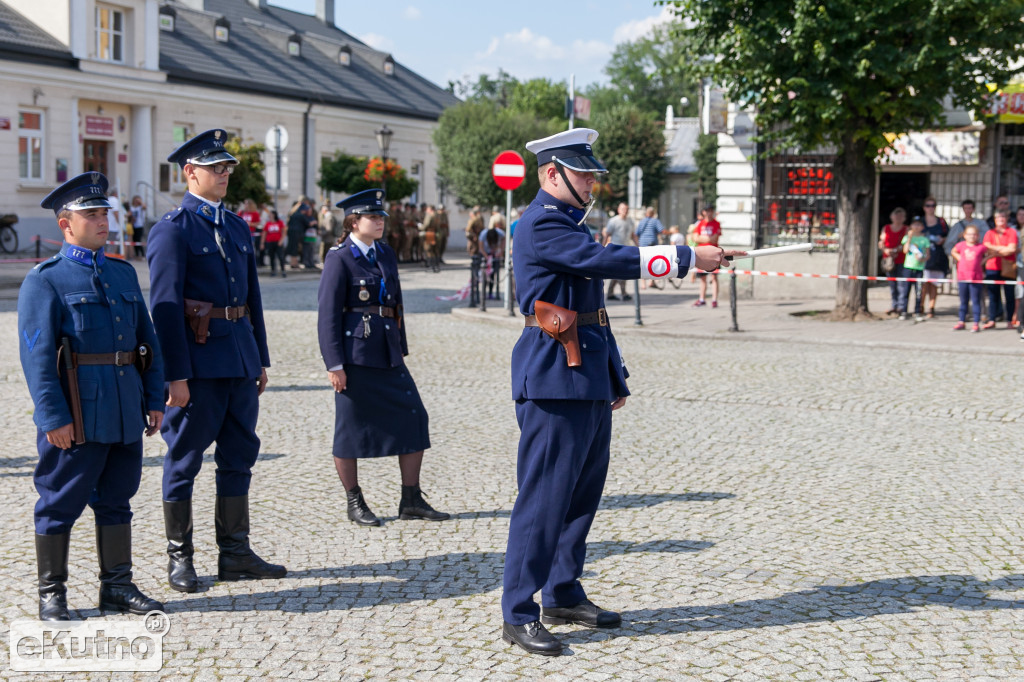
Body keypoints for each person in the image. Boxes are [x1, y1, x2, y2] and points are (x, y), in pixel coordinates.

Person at [501, 128, 739, 656]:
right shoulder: (541, 222)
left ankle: (562, 590)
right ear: (551, 174)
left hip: (583, 372)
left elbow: (594, 313)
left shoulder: (569, 222)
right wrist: (684, 258)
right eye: (582, 173)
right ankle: (518, 610)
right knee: (543, 499)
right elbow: (604, 264)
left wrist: (613, 375)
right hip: (552, 377)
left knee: (581, 496)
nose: (591, 182)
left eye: (592, 174)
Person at [18, 172, 166, 620]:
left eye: (105, 212)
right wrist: (52, 418)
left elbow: (148, 341)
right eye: (92, 214)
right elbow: (37, 358)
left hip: (124, 408)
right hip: (78, 414)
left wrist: (154, 398)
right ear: (66, 225)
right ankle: (52, 592)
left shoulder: (121, 272)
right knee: (59, 500)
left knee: (118, 498)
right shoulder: (46, 280)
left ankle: (117, 586)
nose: (104, 221)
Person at [148, 129, 286, 593]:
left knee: (239, 456)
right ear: (190, 173)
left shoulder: (236, 226)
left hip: (239, 359)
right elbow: (164, 308)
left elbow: (252, 299)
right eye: (215, 168)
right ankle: (180, 558)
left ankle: (235, 552)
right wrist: (175, 375)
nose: (224, 174)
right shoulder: (172, 229)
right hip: (199, 366)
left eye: (227, 167)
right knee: (184, 459)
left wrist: (259, 357)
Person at [317, 189, 449, 527]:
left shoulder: (386, 254)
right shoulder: (339, 257)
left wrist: (400, 346)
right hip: (354, 356)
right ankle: (355, 501)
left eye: (381, 217)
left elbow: (396, 305)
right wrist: (334, 365)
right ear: (353, 222)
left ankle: (411, 498)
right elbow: (327, 315)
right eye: (372, 217)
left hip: (387, 352)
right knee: (349, 430)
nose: (379, 222)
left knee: (415, 417)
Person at [981, 209, 1018, 329]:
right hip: (992, 267)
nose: (1001, 219)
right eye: (998, 217)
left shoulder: (1011, 232)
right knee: (993, 295)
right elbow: (986, 247)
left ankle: (1009, 320)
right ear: (995, 219)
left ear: (1006, 218)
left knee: (1009, 295)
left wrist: (995, 251)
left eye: (1003, 217)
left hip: (1008, 267)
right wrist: (1004, 249)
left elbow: (1012, 249)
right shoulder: (990, 232)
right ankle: (992, 319)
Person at [950, 225, 989, 332]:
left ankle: (976, 322)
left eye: (974, 234)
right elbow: (953, 251)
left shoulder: (980, 247)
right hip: (963, 277)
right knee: (963, 301)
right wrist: (959, 258)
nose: (972, 236)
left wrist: (982, 262)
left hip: (976, 277)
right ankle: (961, 321)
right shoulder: (961, 245)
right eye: (969, 234)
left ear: (978, 236)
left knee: (976, 301)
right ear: (965, 235)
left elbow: (990, 253)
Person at [919, 197, 949, 319]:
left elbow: (948, 236)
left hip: (937, 255)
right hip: (923, 257)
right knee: (924, 284)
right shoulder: (920, 221)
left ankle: (931, 308)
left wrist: (943, 240)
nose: (930, 208)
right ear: (924, 207)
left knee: (934, 284)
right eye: (928, 205)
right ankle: (920, 306)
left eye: (933, 205)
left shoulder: (941, 222)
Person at [898, 216, 930, 321]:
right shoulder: (907, 238)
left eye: (918, 224)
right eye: (914, 224)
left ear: (922, 226)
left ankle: (917, 311)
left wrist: (922, 258)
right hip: (908, 268)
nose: (916, 227)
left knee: (919, 291)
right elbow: (905, 250)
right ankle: (904, 311)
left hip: (919, 269)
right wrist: (909, 238)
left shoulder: (924, 239)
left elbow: (928, 255)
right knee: (905, 290)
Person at [601, 202, 635, 300]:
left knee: (616, 272)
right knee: (622, 271)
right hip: (616, 249)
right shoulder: (613, 221)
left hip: (626, 248)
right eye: (623, 209)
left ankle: (610, 294)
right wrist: (602, 248)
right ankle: (624, 294)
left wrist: (639, 246)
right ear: (619, 210)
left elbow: (633, 235)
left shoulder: (630, 221)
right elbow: (607, 234)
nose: (625, 211)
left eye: (627, 209)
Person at [878, 208, 908, 315]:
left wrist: (896, 250)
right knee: (892, 284)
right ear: (891, 217)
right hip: (889, 260)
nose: (898, 218)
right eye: (896, 216)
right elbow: (881, 242)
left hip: (902, 260)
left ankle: (901, 307)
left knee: (901, 284)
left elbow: (907, 243)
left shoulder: (906, 229)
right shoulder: (886, 228)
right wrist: (885, 250)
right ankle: (893, 305)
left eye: (901, 216)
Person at [692, 206, 723, 307]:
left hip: (714, 253)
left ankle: (714, 299)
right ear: (703, 212)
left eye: (710, 211)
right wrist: (708, 239)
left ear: (712, 212)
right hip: (701, 254)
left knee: (714, 277)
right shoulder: (700, 224)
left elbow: (714, 239)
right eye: (706, 211)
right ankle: (702, 299)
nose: (708, 213)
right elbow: (695, 238)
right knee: (702, 278)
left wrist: (702, 238)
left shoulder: (716, 224)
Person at [466, 206, 485, 307]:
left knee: (478, 260)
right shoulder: (473, 220)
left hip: (478, 240)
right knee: (474, 259)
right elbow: (468, 230)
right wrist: (472, 236)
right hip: (474, 242)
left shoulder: (480, 219)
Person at [261, 209, 286, 277]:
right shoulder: (268, 224)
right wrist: (262, 243)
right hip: (270, 242)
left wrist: (281, 240)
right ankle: (273, 271)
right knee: (271, 257)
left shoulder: (280, 222)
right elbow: (264, 234)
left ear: (274, 215)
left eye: (271, 214)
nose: (270, 216)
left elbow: (284, 232)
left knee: (281, 257)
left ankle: (283, 270)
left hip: (278, 242)